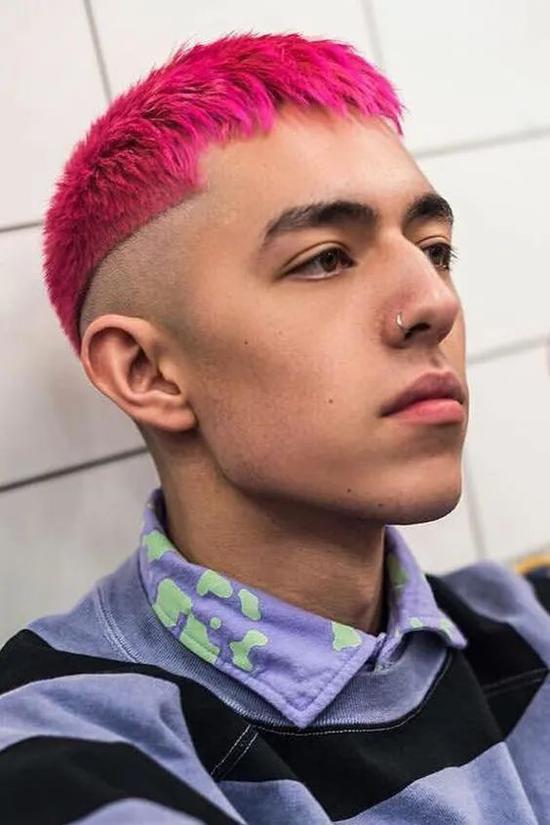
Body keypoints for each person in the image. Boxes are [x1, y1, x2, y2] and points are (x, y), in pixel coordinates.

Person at [1, 31, 548, 825]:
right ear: (147, 371)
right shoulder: (59, 749)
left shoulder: (527, 624)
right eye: (325, 259)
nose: (435, 302)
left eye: (435, 249)